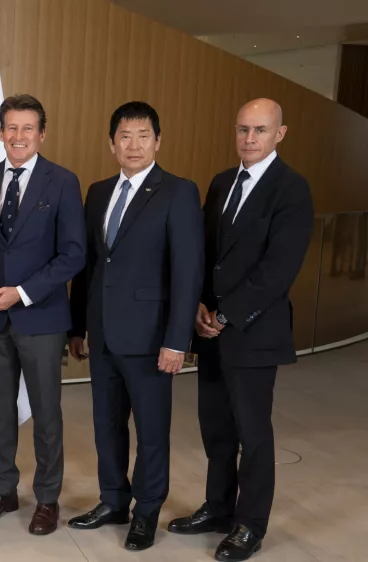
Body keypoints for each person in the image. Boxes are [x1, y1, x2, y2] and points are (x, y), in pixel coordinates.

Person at [167, 98, 313, 562]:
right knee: (216, 429)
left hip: (252, 331)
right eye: (243, 129)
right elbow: (207, 254)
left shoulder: (292, 189)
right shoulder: (222, 182)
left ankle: (250, 524)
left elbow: (278, 269)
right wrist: (199, 308)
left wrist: (226, 315)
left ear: (280, 134)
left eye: (260, 130)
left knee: (253, 433)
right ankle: (217, 508)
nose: (250, 139)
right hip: (210, 328)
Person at [67, 101, 203, 551]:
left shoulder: (178, 192)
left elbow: (187, 272)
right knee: (106, 424)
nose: (134, 144)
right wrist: (77, 327)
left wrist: (176, 339)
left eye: (143, 135)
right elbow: (89, 266)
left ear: (158, 141)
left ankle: (146, 511)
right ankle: (113, 501)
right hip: (103, 333)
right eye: (124, 136)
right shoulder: (98, 191)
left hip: (150, 338)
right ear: (111, 143)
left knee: (151, 430)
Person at [0, 94, 85, 535]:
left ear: (42, 134)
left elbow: (73, 255)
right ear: (0, 133)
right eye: (11, 128)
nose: (18, 136)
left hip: (42, 317)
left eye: (27, 128)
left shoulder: (63, 182)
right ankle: (4, 490)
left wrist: (22, 293)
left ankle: (48, 498)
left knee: (47, 413)